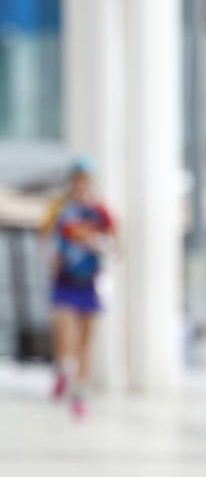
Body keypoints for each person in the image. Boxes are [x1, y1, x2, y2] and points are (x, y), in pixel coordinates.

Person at [41, 156, 118, 420]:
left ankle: (81, 393)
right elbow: (46, 239)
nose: (82, 185)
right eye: (78, 180)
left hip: (90, 282)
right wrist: (54, 257)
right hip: (65, 281)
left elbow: (116, 244)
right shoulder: (61, 209)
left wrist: (101, 245)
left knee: (87, 339)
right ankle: (65, 370)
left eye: (86, 180)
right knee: (65, 335)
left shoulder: (101, 212)